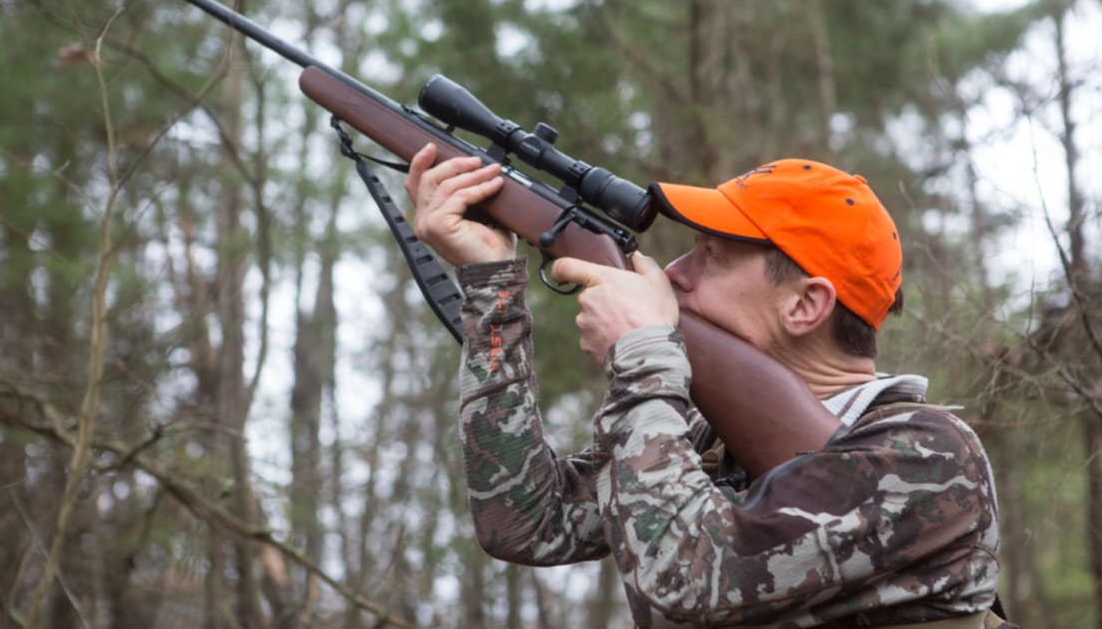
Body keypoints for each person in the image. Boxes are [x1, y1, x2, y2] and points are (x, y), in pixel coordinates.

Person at [405, 144, 1009, 628]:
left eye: (711, 256)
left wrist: (640, 358)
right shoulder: (706, 441)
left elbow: (692, 581)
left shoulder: (927, 458)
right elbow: (525, 522)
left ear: (805, 304)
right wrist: (492, 289)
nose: (673, 275)